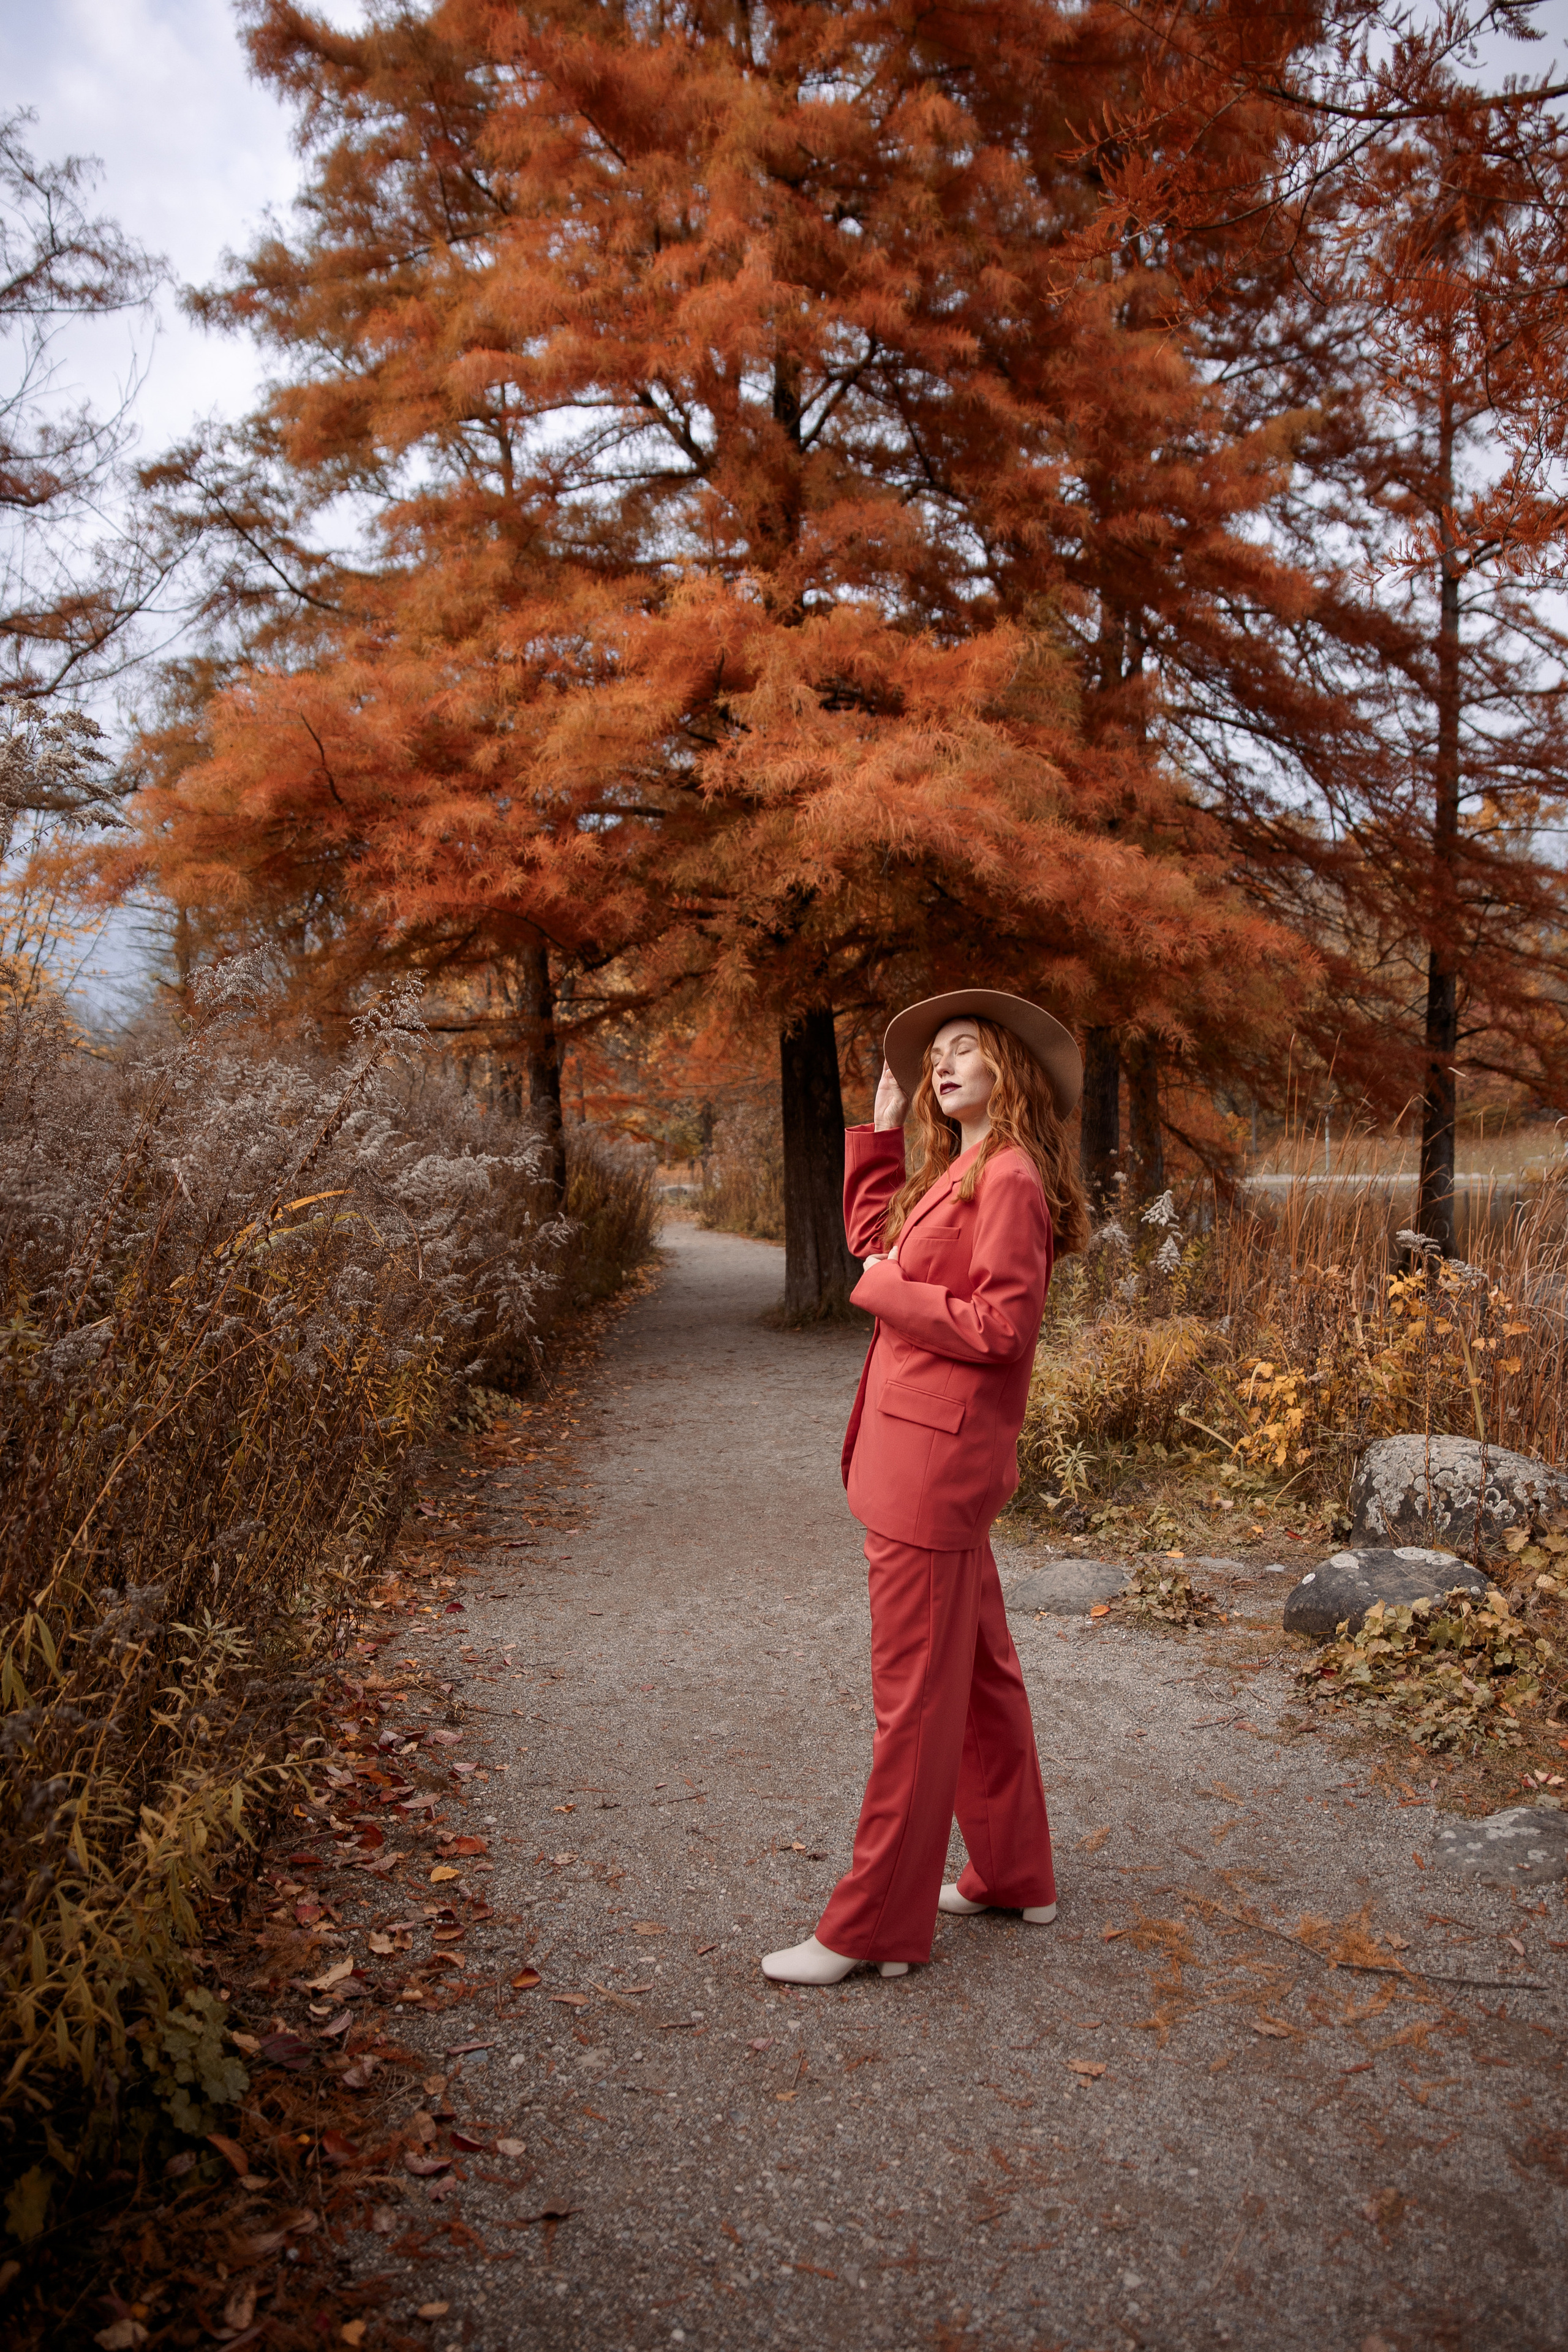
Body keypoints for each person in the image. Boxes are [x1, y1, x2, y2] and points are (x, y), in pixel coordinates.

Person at [761, 990, 1090, 1986]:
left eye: (964, 1051)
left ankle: (873, 1930)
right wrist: (880, 1124)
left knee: (912, 1701)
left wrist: (887, 1287)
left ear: (1009, 1069)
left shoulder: (1014, 1178)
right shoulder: (963, 1166)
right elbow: (878, 1235)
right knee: (981, 1675)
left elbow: (1002, 1329)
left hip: (934, 1469)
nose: (943, 1066)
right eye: (936, 1055)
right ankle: (1013, 1870)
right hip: (919, 1457)